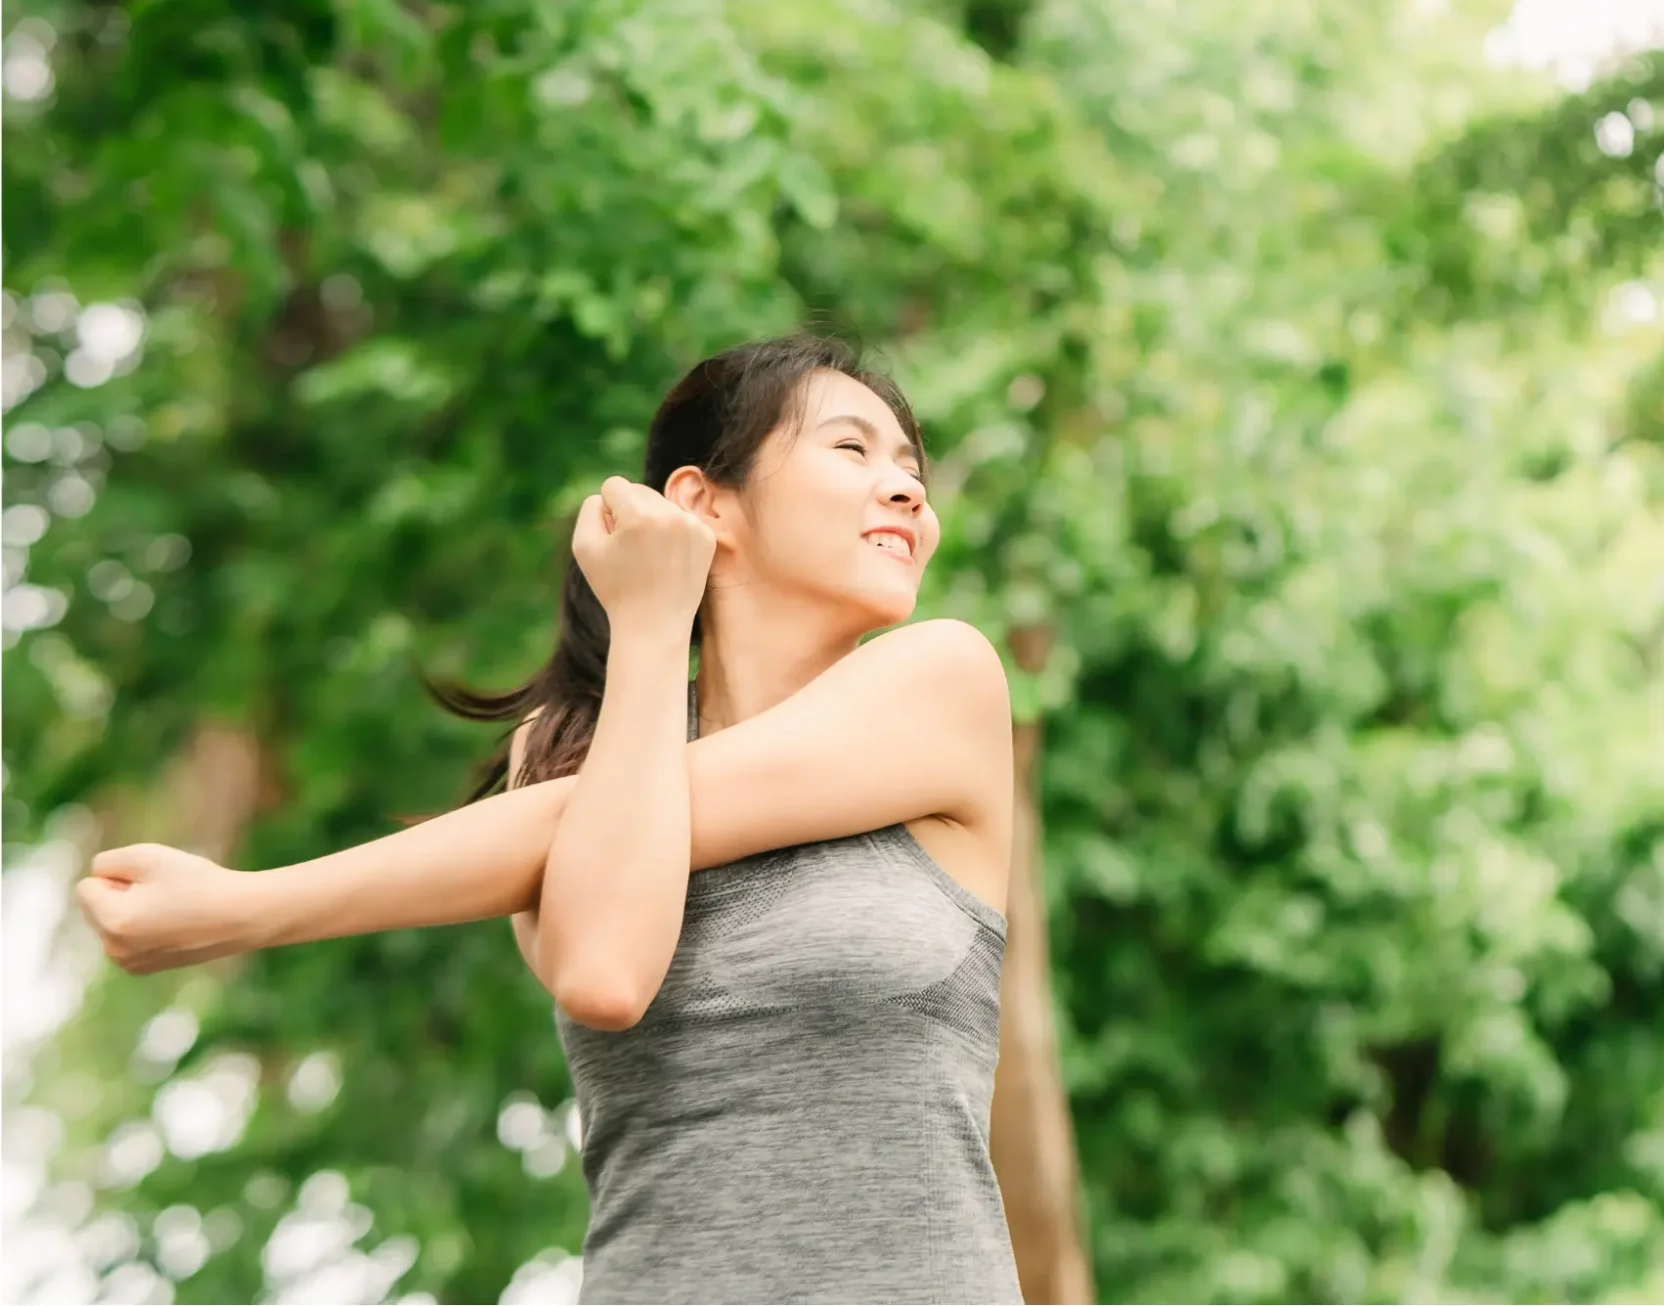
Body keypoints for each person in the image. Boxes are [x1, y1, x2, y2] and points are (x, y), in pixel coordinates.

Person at [73, 333, 1025, 1305]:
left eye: (912, 468)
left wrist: (240, 908)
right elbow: (606, 971)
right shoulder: (564, 749)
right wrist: (652, 629)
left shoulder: (943, 683)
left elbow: (573, 848)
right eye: (852, 450)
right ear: (703, 505)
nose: (909, 491)